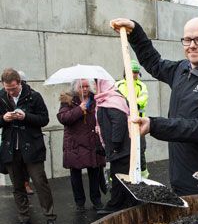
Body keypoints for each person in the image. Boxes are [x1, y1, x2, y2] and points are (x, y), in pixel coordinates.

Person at [109, 17, 198, 195]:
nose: (192, 45)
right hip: (178, 174)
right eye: (187, 40)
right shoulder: (182, 70)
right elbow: (154, 62)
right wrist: (135, 32)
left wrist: (154, 125)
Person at [0, 68, 57, 224]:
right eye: (7, 88)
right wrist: (4, 118)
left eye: (13, 88)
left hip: (32, 147)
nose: (10, 92)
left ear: (19, 82)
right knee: (18, 186)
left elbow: (44, 119)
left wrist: (25, 116)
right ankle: (24, 220)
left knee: (40, 183)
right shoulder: (1, 97)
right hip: (11, 148)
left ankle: (50, 218)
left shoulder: (34, 96)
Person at [57, 79, 105, 211]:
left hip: (91, 141)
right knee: (76, 174)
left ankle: (96, 200)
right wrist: (79, 109)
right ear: (75, 88)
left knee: (94, 172)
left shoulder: (95, 99)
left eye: (86, 86)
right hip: (75, 143)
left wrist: (100, 125)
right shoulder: (67, 100)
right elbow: (63, 118)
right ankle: (80, 203)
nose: (84, 89)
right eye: (81, 86)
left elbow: (101, 115)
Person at [94, 79, 135, 215]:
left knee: (118, 177)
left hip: (121, 149)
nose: (95, 87)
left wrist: (115, 144)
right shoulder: (105, 100)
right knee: (120, 176)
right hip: (118, 148)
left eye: (96, 84)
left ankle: (116, 204)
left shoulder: (112, 100)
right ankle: (128, 203)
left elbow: (119, 122)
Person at [115, 59, 149, 178]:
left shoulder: (141, 85)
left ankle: (143, 176)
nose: (134, 74)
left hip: (138, 123)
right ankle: (124, 176)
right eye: (132, 71)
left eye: (136, 72)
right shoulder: (118, 85)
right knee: (125, 151)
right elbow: (116, 101)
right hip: (124, 124)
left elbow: (143, 101)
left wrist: (128, 103)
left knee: (141, 150)